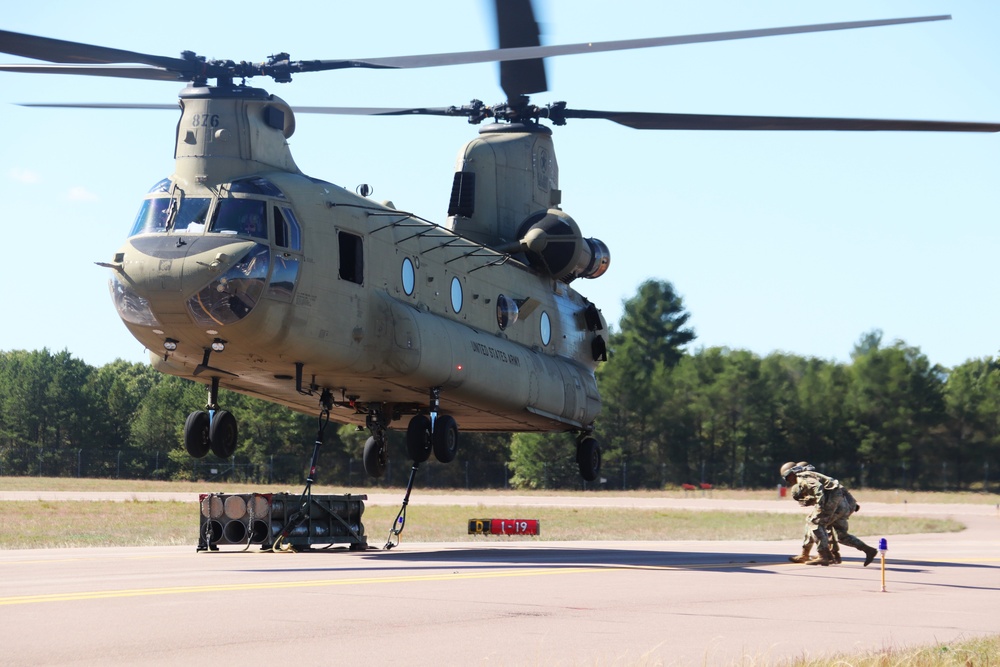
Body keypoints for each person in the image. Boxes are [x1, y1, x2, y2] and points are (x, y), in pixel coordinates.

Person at [781, 461, 878, 567]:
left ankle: (823, 556)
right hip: (841, 504)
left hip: (832, 501)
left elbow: (817, 488)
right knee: (841, 535)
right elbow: (839, 488)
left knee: (814, 523)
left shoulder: (802, 477)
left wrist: (820, 504)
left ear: (790, 474)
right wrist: (852, 504)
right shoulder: (812, 475)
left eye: (787, 478)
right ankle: (868, 550)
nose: (789, 481)